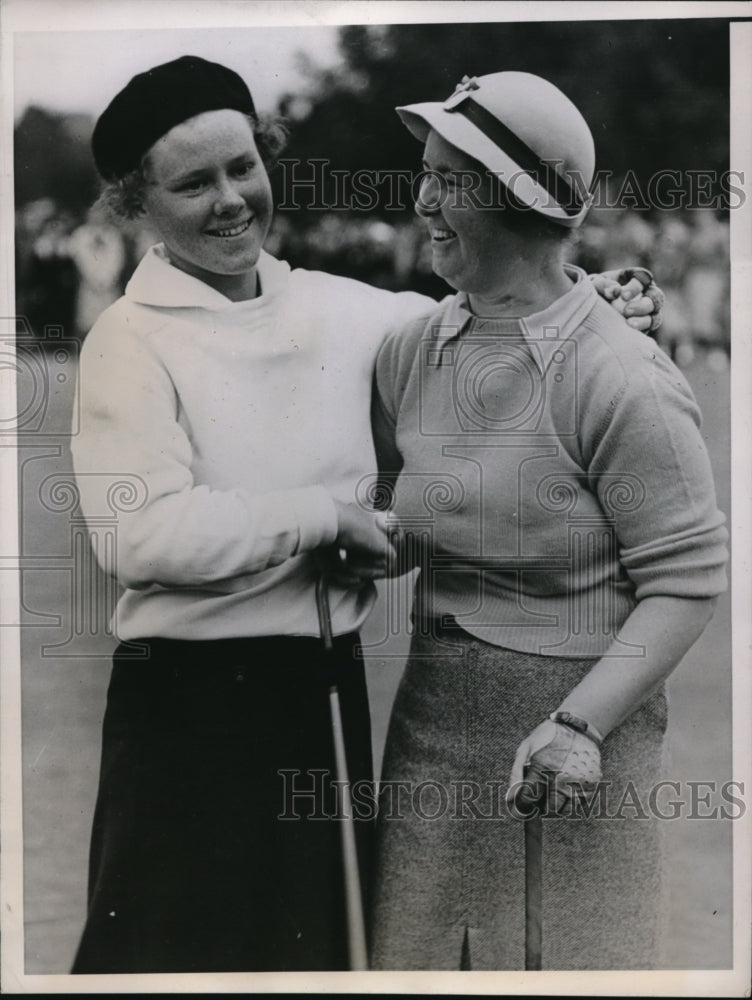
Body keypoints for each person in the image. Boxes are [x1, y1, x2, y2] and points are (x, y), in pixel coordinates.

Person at [69, 56, 663, 973]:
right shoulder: (128, 339)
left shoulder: (343, 310)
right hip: (187, 715)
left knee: (321, 965)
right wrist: (326, 517)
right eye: (193, 184)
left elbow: (493, 311)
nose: (230, 200)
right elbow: (138, 536)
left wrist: (597, 295)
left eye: (244, 167)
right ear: (135, 205)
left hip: (321, 701)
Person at [367, 72, 728, 971]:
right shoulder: (410, 350)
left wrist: (580, 728)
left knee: (566, 971)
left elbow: (686, 583)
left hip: (577, 739)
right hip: (431, 721)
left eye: (450, 180)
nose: (422, 200)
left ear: (518, 198)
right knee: (417, 967)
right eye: (426, 173)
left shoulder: (626, 377)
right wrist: (362, 539)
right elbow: (414, 513)